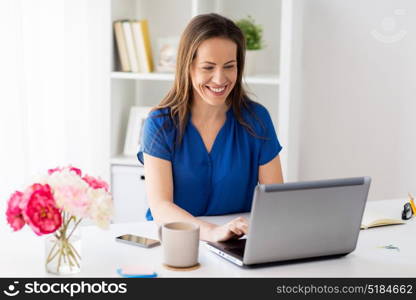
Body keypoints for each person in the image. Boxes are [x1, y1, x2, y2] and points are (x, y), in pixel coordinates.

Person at [137, 13, 283, 243]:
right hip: (175, 242)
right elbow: (160, 206)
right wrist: (212, 232)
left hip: (235, 244)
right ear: (188, 67)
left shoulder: (256, 119)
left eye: (229, 66)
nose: (219, 79)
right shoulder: (160, 124)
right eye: (208, 67)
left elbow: (276, 200)